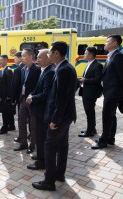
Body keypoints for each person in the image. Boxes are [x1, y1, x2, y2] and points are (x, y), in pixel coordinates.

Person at [32, 41, 77, 191]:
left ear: (57, 53)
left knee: (49, 146)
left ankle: (49, 181)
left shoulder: (63, 69)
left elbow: (61, 99)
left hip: (61, 117)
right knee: (62, 145)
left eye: (50, 52)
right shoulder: (66, 67)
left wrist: (55, 120)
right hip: (67, 115)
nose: (49, 55)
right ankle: (59, 174)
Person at [91, 35, 123, 149]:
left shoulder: (118, 56)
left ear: (114, 43)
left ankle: (103, 141)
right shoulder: (111, 56)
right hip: (109, 91)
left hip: (114, 92)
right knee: (111, 116)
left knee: (107, 116)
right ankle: (110, 138)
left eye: (107, 42)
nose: (105, 44)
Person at [26, 49, 55, 170]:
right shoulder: (44, 70)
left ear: (48, 58)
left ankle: (41, 161)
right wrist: (31, 95)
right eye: (37, 57)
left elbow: (46, 93)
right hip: (38, 110)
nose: (37, 60)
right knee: (39, 136)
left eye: (39, 58)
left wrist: (32, 98)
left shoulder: (49, 72)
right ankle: (40, 156)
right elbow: (38, 89)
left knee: (41, 137)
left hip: (42, 111)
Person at [14, 48, 41, 153]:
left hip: (32, 101)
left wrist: (32, 96)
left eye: (24, 55)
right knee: (21, 122)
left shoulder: (37, 69)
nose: (21, 58)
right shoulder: (22, 69)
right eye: (21, 56)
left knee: (32, 124)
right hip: (23, 100)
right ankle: (23, 143)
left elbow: (38, 87)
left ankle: (32, 145)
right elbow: (22, 85)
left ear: (30, 57)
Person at [78, 47, 103, 138]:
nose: (84, 55)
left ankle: (90, 131)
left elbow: (97, 79)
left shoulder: (97, 65)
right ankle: (92, 128)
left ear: (91, 55)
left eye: (85, 53)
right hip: (85, 91)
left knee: (89, 112)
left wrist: (85, 80)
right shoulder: (89, 63)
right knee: (89, 111)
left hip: (91, 93)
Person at [0, 54, 15, 135]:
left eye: (1, 60)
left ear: (6, 60)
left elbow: (11, 85)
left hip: (7, 97)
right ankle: (11, 126)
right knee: (8, 112)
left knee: (5, 112)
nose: (0, 62)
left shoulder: (8, 71)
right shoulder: (4, 70)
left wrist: (9, 96)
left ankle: (4, 128)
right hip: (4, 96)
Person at [11, 51, 25, 143]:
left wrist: (13, 99)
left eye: (15, 58)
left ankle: (21, 137)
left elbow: (15, 86)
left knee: (21, 119)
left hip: (21, 98)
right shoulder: (27, 67)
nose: (14, 60)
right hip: (26, 97)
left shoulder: (18, 69)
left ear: (20, 58)